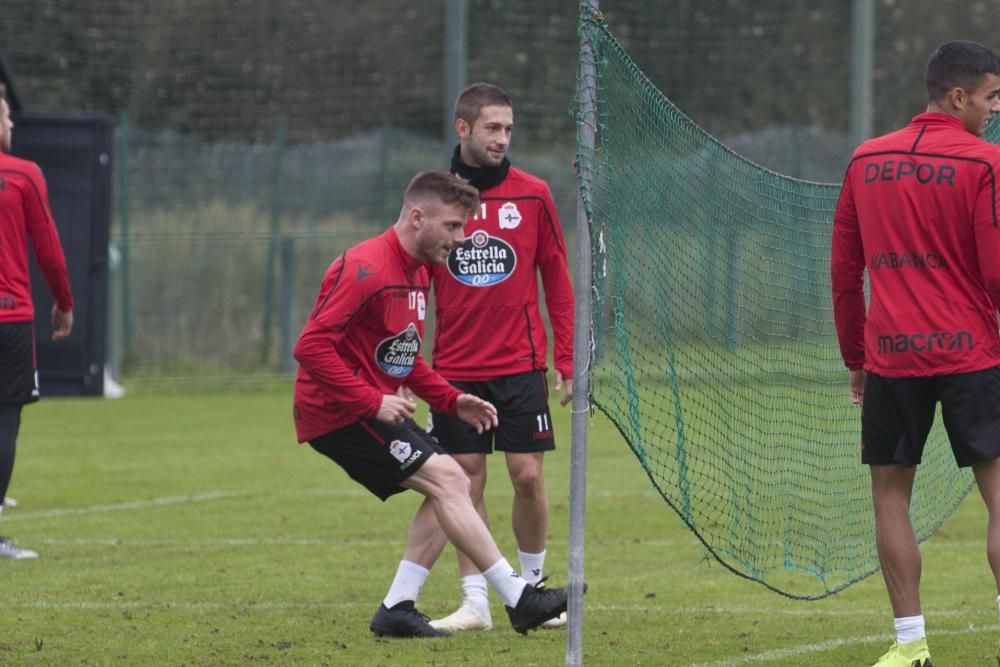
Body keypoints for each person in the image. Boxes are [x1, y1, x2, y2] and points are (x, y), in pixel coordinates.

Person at [293, 170, 570, 638]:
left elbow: (404, 356)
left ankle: (397, 607)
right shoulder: (365, 268)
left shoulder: (419, 271)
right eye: (452, 227)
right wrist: (370, 401)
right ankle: (519, 598)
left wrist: (450, 398)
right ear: (417, 217)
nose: (461, 240)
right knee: (448, 479)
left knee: (450, 484)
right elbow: (311, 347)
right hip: (336, 413)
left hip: (367, 408)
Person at [832, 40, 1000, 667]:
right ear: (958, 96)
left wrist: (857, 357)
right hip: (970, 353)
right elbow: (995, 273)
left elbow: (845, 272)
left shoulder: (863, 160)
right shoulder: (986, 164)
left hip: (892, 357)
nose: (993, 111)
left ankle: (910, 648)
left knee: (890, 498)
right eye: (990, 98)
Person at [426, 83, 575, 632]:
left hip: (520, 364)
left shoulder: (533, 195)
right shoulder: (434, 199)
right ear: (462, 128)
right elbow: (411, 279)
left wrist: (566, 356)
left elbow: (557, 277)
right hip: (454, 368)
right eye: (492, 128)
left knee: (528, 476)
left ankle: (531, 589)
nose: (502, 138)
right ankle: (476, 603)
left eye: (508, 129)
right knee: (463, 480)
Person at [0, 82, 74, 559]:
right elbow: (48, 248)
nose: (11, 124)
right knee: (5, 418)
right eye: (5, 117)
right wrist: (64, 301)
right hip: (10, 318)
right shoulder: (24, 176)